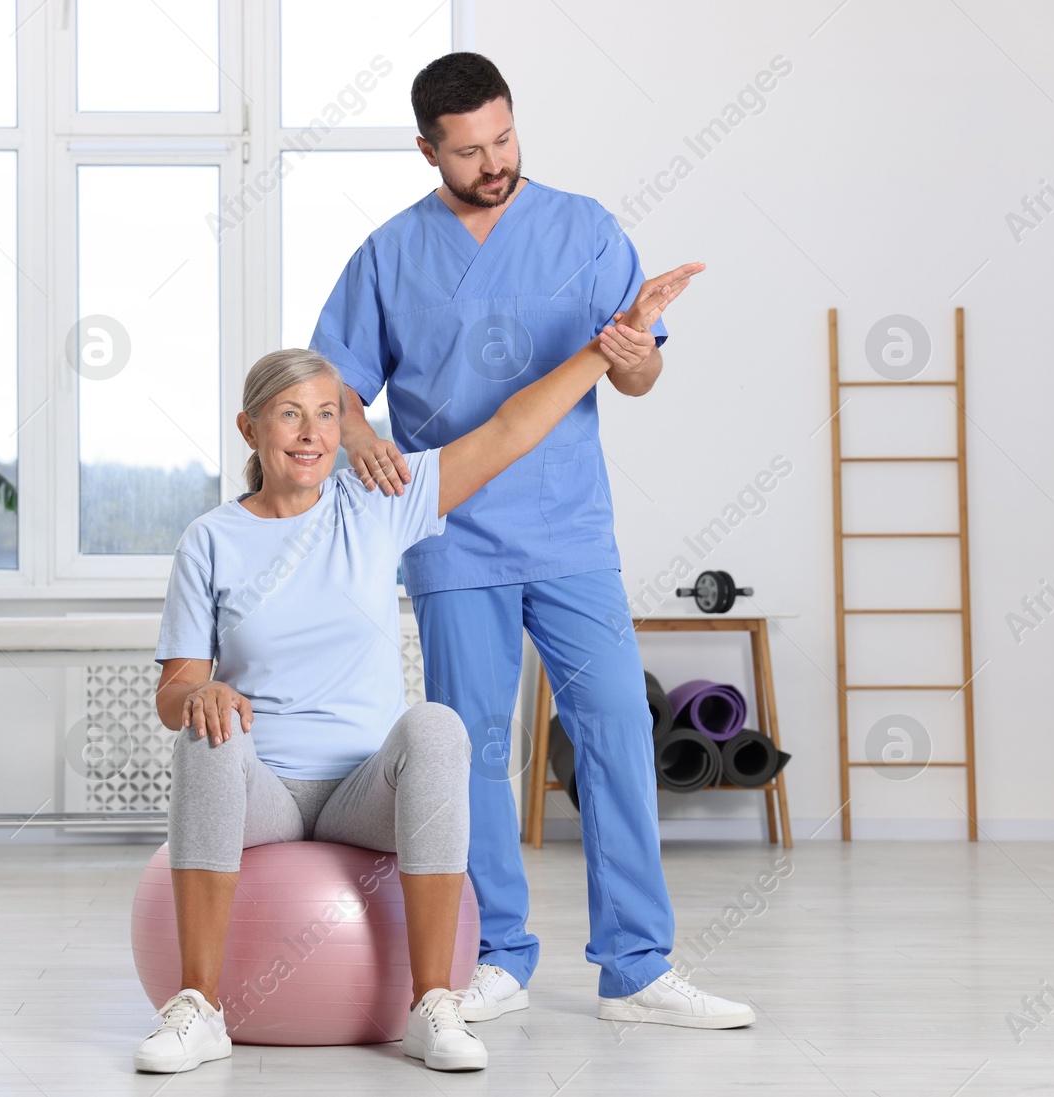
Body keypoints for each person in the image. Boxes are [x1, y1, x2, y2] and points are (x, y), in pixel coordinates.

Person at [134, 263, 698, 1075]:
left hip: (366, 788)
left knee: (437, 725)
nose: (311, 432)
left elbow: (507, 431)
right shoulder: (212, 539)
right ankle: (198, 1007)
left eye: (328, 414)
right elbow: (173, 689)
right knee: (205, 742)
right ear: (249, 427)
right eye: (290, 414)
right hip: (265, 791)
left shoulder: (378, 501)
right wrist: (202, 692)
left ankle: (433, 1003)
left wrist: (604, 350)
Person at [309, 51, 754, 1029]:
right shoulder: (388, 254)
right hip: (452, 531)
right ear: (426, 149)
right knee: (465, 748)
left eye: (503, 138)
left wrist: (633, 358)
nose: (493, 161)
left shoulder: (585, 230)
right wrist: (366, 434)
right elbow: (333, 382)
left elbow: (635, 377)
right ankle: (493, 951)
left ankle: (636, 965)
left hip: (568, 528)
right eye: (468, 151)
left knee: (617, 731)